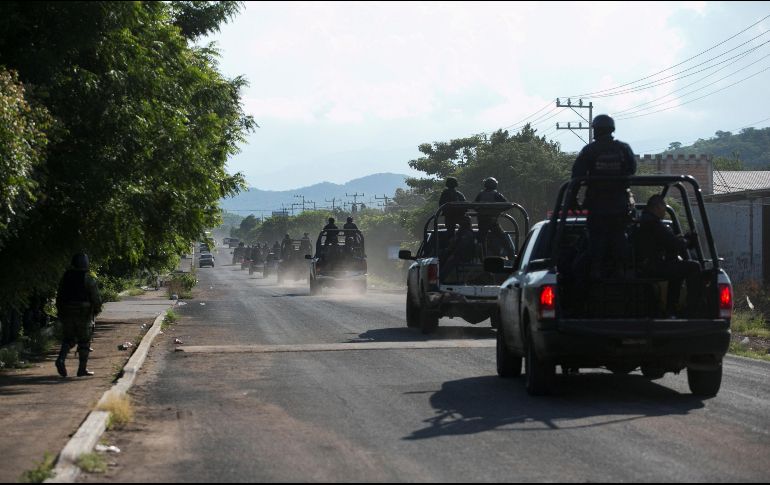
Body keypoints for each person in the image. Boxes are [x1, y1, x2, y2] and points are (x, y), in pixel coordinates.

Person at [571, 114, 636, 279]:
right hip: (620, 206)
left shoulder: (589, 150)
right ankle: (622, 269)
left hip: (597, 206)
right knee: (620, 236)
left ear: (596, 130)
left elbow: (576, 176)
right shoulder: (623, 149)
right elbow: (632, 170)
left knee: (596, 239)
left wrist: (572, 199)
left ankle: (595, 270)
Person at [635, 195, 701, 317]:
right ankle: (692, 309)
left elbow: (667, 241)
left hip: (646, 265)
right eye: (664, 207)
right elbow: (674, 243)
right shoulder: (653, 223)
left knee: (676, 267)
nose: (665, 211)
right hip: (652, 266)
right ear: (657, 207)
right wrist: (687, 240)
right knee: (694, 267)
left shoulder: (644, 221)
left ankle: (671, 309)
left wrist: (679, 240)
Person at [55, 253, 102, 378]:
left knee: (68, 338)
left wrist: (60, 312)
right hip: (83, 314)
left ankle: (61, 359)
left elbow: (59, 297)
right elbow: (96, 298)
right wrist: (96, 310)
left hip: (67, 312)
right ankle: (82, 369)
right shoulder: (88, 279)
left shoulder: (66, 278)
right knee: (84, 341)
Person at [441, 216, 477, 282]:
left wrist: (453, 255)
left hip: (465, 255)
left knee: (450, 261)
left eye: (462, 223)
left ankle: (441, 278)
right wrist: (448, 249)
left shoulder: (468, 234)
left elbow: (461, 246)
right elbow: (454, 243)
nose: (460, 225)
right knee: (442, 256)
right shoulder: (460, 232)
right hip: (459, 254)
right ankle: (438, 275)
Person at [474, 177, 507, 247]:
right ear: (495, 185)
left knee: (481, 238)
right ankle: (511, 253)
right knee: (503, 238)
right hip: (492, 221)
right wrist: (498, 211)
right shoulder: (496, 194)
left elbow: (474, 205)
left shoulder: (481, 194)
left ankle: (478, 250)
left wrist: (481, 211)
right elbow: (506, 205)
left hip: (482, 220)